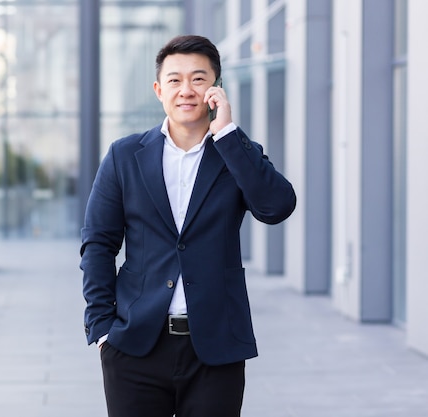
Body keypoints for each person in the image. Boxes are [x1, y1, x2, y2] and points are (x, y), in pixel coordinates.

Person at [80, 34, 296, 417]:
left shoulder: (236, 154)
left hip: (215, 347)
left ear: (215, 88)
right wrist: (101, 326)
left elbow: (276, 207)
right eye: (175, 80)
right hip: (135, 345)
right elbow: (98, 242)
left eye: (198, 79)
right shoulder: (125, 155)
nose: (186, 90)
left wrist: (227, 134)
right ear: (158, 89)